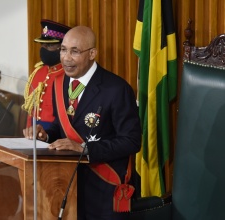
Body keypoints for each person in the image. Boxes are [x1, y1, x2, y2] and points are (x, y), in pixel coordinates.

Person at [23, 26, 141, 220]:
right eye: (63, 49)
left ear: (92, 53)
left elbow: (132, 140)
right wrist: (46, 134)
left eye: (74, 51)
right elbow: (60, 126)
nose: (66, 58)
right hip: (65, 184)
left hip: (103, 188)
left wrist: (85, 148)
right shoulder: (59, 83)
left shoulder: (116, 89)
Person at [21, 19, 71, 130]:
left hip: (57, 132)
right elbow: (31, 110)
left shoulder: (69, 75)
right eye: (42, 45)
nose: (44, 49)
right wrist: (29, 132)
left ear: (62, 47)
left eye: (49, 45)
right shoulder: (38, 72)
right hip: (34, 132)